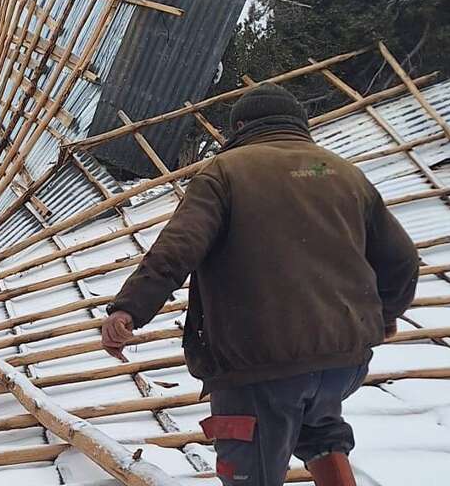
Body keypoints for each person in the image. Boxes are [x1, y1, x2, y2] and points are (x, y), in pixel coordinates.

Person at [101, 83, 419, 486]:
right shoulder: (342, 173)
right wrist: (384, 316)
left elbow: (178, 248)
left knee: (250, 470)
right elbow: (403, 261)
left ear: (241, 126)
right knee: (317, 423)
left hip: (259, 364)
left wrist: (129, 308)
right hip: (345, 361)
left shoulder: (226, 171)